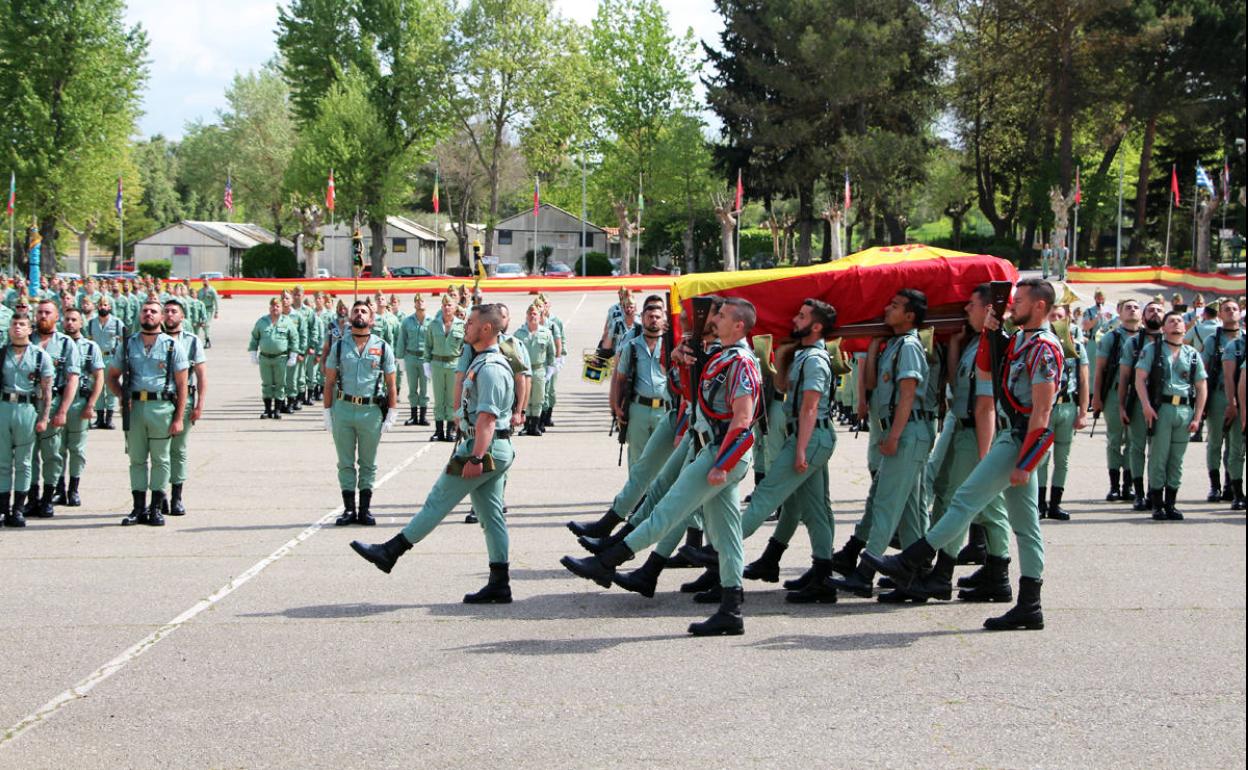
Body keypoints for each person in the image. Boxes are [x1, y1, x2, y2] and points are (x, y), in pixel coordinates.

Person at [561, 297, 763, 637]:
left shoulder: (742, 361)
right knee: (727, 536)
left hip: (720, 454)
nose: (716, 320)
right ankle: (731, 608)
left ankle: (607, 561)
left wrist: (722, 465)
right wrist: (681, 362)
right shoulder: (722, 356)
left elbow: (743, 419)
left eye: (724, 316)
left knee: (666, 511)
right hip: (710, 449)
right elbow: (691, 395)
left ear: (739, 325)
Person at [868, 278, 1060, 631]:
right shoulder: (1021, 341)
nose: (1011, 306)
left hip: (1020, 438)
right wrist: (989, 334)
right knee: (1025, 526)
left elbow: (1042, 411)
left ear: (1039, 307)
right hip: (1013, 434)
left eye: (1019, 301)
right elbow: (987, 369)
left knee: (964, 500)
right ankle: (1030, 605)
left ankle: (912, 560)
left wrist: (1026, 462)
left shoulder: (1045, 348)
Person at [349, 303, 517, 604]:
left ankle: (391, 551)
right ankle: (499, 582)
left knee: (437, 500)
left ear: (487, 329)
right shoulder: (484, 361)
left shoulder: (490, 367)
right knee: (491, 517)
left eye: (471, 323)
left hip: (484, 448)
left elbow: (487, 420)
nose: (465, 327)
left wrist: (476, 458)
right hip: (492, 447)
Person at [830, 289, 936, 598]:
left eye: (895, 306)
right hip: (903, 433)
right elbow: (874, 384)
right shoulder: (895, 345)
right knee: (911, 511)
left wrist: (892, 437)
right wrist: (874, 343)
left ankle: (864, 574)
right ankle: (916, 578)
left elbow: (907, 394)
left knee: (886, 504)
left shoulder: (911, 347)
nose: (887, 309)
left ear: (910, 315)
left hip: (906, 433)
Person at [734, 298, 840, 604]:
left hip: (811, 436)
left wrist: (801, 450)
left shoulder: (816, 360)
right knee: (816, 508)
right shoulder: (803, 355)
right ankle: (823, 574)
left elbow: (810, 407)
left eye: (802, 316)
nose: (795, 319)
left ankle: (721, 550)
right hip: (808, 435)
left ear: (816, 326)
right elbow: (782, 387)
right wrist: (780, 354)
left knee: (767, 493)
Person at [108, 299, 190, 527]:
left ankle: (155, 508)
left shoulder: (172, 346)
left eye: (154, 311)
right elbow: (111, 375)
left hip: (161, 407)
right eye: (145, 311)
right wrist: (121, 396)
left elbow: (182, 385)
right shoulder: (128, 344)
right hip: (135, 408)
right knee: (136, 459)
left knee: (161, 459)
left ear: (162, 317)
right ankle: (138, 508)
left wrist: (178, 418)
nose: (148, 315)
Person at [325, 301, 398, 527]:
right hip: (344, 410)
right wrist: (327, 412)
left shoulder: (383, 347)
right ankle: (349, 510)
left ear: (372, 319)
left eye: (364, 311)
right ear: (349, 318)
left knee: (368, 463)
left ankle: (364, 510)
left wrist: (392, 412)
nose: (359, 314)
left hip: (371, 412)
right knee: (345, 463)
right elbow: (329, 382)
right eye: (355, 311)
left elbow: (391, 384)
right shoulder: (339, 347)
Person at [1134, 310, 1207, 520]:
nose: (1176, 324)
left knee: (1177, 459)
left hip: (1184, 409)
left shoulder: (1192, 354)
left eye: (1179, 321)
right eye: (1171, 321)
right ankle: (1157, 504)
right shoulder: (1153, 350)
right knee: (1158, 456)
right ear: (1164, 328)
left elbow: (1201, 386)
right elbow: (1140, 378)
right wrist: (1146, 405)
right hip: (1162, 408)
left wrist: (1197, 417)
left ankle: (1171, 503)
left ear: (1185, 328)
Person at [26, 300, 81, 519]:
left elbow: (72, 379)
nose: (42, 316)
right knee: (28, 454)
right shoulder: (26, 341)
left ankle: (48, 498)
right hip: (28, 405)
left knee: (52, 454)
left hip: (54, 403)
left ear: (56, 317)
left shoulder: (66, 344)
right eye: (39, 312)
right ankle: (31, 498)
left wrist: (63, 411)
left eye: (47, 312)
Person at [1036, 304, 1089, 520]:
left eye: (1060, 316)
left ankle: (1055, 503)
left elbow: (1084, 379)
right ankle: (1039, 504)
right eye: (1052, 316)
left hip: (1068, 406)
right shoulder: (1040, 343)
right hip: (1047, 406)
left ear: (1067, 319)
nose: (1056, 319)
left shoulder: (1075, 345)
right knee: (1041, 457)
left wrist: (1083, 412)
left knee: (1063, 458)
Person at [1, 314, 54, 527]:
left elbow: (47, 390)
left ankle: (19, 509)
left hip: (27, 408)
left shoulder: (40, 356)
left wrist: (44, 417)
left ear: (30, 329)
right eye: (14, 324)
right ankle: (3, 508)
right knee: (3, 461)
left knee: (24, 462)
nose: (17, 328)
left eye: (22, 325)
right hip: (4, 406)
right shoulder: (2, 353)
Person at [55, 307, 105, 508]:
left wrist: (91, 404)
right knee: (56, 449)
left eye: (74, 319)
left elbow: (99, 377)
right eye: (67, 319)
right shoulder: (56, 345)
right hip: (58, 401)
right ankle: (58, 489)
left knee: (76, 449)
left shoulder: (90, 347)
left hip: (78, 403)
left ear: (82, 323)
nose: (70, 323)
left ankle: (73, 489)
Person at [609, 298, 669, 463]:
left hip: (664, 411)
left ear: (663, 318)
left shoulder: (670, 346)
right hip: (638, 410)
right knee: (638, 458)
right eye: (650, 316)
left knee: (664, 460)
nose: (654, 320)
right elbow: (619, 379)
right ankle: (638, 490)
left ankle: (658, 490)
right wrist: (616, 406)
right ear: (642, 318)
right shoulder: (632, 346)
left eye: (657, 316)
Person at [1118, 299, 1165, 511]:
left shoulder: (1171, 342)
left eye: (1159, 310)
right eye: (1151, 310)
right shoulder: (1133, 343)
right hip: (1137, 401)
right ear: (1144, 317)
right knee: (1136, 447)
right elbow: (1125, 376)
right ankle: (1138, 492)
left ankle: (1156, 492)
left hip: (1163, 404)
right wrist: (1121, 405)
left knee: (1159, 450)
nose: (1155, 313)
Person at [1093, 299, 1140, 502]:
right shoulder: (1111, 338)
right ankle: (1114, 486)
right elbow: (1100, 369)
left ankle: (1128, 485)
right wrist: (1096, 397)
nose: (1132, 310)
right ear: (1119, 313)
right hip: (1113, 393)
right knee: (1114, 439)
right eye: (1127, 307)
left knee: (1133, 441)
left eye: (1136, 307)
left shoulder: (1148, 337)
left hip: (1137, 395)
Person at [162, 299, 207, 516]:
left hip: (184, 399)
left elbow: (201, 374)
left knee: (177, 450)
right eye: (167, 311)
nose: (170, 315)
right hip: (158, 401)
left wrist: (199, 404)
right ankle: (159, 495)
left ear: (182, 317)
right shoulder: (154, 339)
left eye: (174, 312)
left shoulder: (191, 341)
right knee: (158, 451)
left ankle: (176, 497)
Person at [1201, 299, 1243, 503]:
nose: (1231, 312)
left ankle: (1231, 485)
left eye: (1235, 309)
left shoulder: (1245, 338)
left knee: (1236, 443)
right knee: (1216, 441)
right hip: (1218, 395)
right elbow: (1204, 371)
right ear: (1220, 314)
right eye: (1227, 309)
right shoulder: (1213, 340)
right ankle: (1215, 486)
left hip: (1242, 396)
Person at [248, 297, 299, 420]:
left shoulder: (287, 322)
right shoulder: (262, 321)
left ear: (282, 308)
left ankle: (277, 410)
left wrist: (293, 354)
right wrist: (253, 352)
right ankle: (267, 409)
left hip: (281, 358)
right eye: (272, 306)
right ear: (269, 308)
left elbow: (294, 338)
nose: (274, 308)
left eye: (277, 306)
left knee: (280, 384)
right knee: (267, 384)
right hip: (265, 358)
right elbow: (255, 337)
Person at [426, 294, 465, 442]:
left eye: (450, 305)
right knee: (438, 399)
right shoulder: (433, 325)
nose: (447, 308)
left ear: (455, 308)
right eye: (444, 305)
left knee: (451, 399)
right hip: (437, 364)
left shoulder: (461, 325)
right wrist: (426, 363)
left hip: (454, 364)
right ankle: (438, 431)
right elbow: (428, 345)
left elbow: (464, 348)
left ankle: (451, 430)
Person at [514, 302, 556, 436]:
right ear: (526, 316)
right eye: (530, 314)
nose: (533, 316)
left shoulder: (546, 333)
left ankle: (535, 425)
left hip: (539, 369)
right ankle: (526, 425)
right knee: (526, 398)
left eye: (535, 314)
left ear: (540, 316)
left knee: (538, 398)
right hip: (524, 369)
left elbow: (551, 353)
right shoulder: (519, 334)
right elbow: (512, 352)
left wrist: (550, 370)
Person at [87, 296, 125, 428]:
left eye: (105, 305)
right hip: (96, 359)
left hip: (111, 357)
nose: (102, 307)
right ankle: (99, 419)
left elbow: (123, 341)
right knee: (97, 387)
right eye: (100, 305)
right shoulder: (92, 323)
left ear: (109, 307)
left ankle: (108, 419)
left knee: (110, 388)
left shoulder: (117, 323)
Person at [398, 294, 431, 427]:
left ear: (426, 304)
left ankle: (422, 417)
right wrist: (400, 358)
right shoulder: (407, 321)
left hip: (425, 358)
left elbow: (434, 342)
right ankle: (413, 416)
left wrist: (432, 359)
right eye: (417, 301)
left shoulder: (431, 321)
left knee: (424, 389)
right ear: (414, 304)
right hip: (411, 357)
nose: (420, 303)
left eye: (422, 301)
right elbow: (402, 340)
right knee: (412, 388)